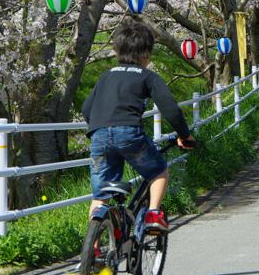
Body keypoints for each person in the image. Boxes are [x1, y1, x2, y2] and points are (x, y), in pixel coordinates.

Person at [81, 22, 195, 232]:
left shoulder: (106, 76)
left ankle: (93, 247)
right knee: (159, 171)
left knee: (100, 195)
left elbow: (86, 108)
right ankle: (153, 214)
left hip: (99, 135)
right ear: (147, 54)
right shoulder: (147, 76)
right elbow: (170, 109)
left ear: (117, 51)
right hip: (129, 134)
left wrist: (102, 131)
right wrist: (185, 135)